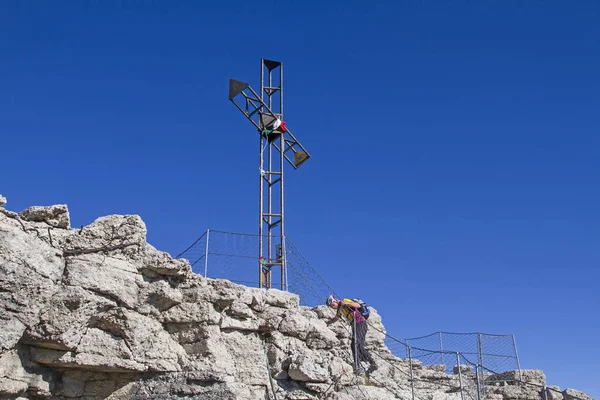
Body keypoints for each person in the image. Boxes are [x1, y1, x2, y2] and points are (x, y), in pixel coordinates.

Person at [326, 295, 377, 376]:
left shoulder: (344, 301)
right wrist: (327, 323)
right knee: (358, 345)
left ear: (335, 301)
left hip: (360, 322)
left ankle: (360, 366)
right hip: (355, 324)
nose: (333, 307)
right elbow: (336, 318)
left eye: (332, 305)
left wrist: (345, 303)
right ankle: (368, 363)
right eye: (331, 306)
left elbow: (357, 305)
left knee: (355, 344)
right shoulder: (339, 310)